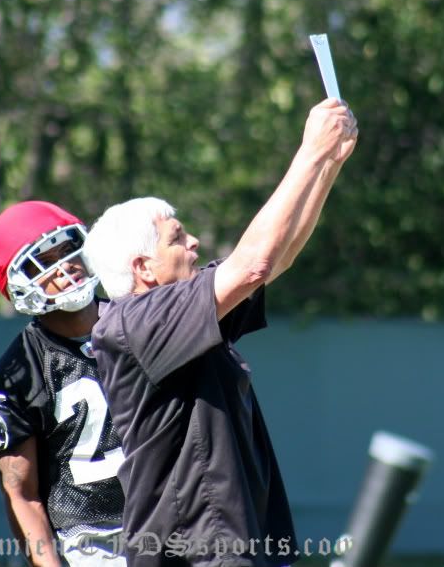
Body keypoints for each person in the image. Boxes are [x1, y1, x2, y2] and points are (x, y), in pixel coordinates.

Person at [83, 98, 359, 567]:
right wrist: (310, 152)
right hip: (195, 553)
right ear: (142, 268)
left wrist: (328, 164)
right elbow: (253, 264)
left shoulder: (174, 313)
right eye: (176, 237)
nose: (192, 242)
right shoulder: (136, 322)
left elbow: (279, 257)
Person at [0, 201, 127, 566]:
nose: (66, 267)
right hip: (89, 542)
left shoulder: (137, 322)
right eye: (44, 262)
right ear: (18, 282)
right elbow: (22, 495)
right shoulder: (19, 371)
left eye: (67, 250)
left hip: (171, 525)